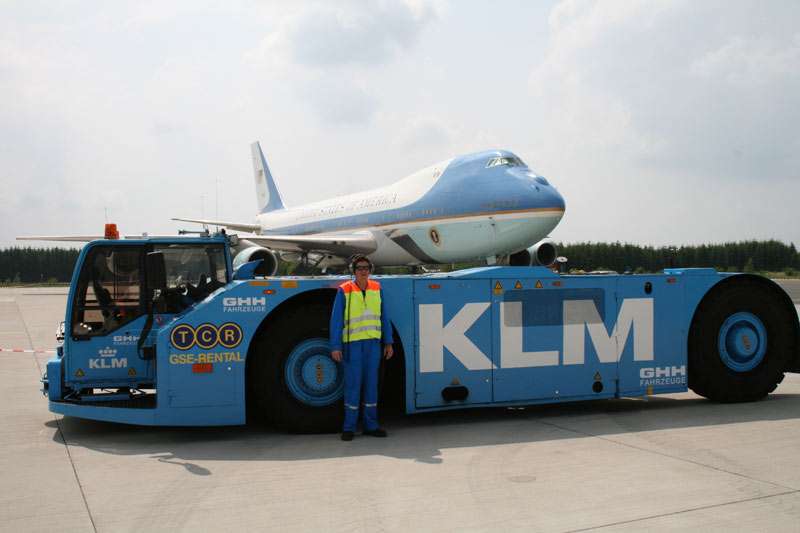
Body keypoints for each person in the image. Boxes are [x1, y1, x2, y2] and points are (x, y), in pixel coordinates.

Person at [329, 255, 394, 441]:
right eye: (359, 268)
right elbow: (336, 321)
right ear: (353, 271)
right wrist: (335, 346)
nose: (363, 271)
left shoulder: (377, 288)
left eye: (366, 267)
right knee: (353, 386)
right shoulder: (345, 290)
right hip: (352, 346)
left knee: (371, 386)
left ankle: (371, 426)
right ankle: (349, 427)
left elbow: (384, 316)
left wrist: (388, 342)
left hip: (373, 345)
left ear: (370, 269)